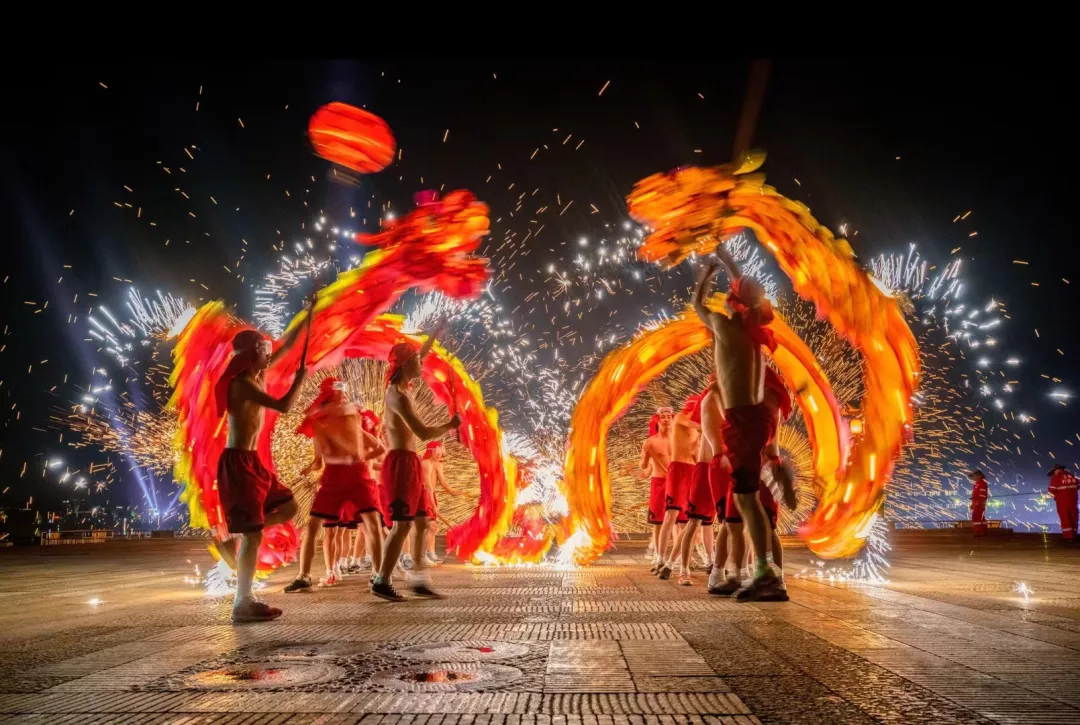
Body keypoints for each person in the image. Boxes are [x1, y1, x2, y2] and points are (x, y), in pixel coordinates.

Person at [693, 249, 796, 601]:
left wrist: (705, 276)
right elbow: (744, 290)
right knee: (750, 503)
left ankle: (765, 571)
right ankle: (766, 572)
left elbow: (698, 306)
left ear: (732, 303)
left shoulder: (721, 326)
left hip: (739, 422)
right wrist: (725, 259)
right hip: (760, 420)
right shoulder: (755, 331)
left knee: (745, 502)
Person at [214, 300, 312, 622]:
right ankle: (242, 603)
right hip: (237, 463)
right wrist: (300, 379)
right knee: (255, 536)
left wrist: (307, 316)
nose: (269, 353)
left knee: (289, 508)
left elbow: (284, 349)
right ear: (250, 355)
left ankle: (240, 534)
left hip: (253, 463)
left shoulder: (257, 376)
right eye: (263, 349)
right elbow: (284, 406)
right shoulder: (242, 384)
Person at [371, 322, 461, 602]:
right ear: (408, 365)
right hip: (399, 464)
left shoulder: (404, 384)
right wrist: (450, 424)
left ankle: (420, 579)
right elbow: (422, 432)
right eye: (418, 362)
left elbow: (417, 353)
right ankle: (381, 580)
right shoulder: (398, 396)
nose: (422, 364)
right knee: (403, 525)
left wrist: (435, 334)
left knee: (422, 522)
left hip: (409, 462)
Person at [284, 377, 385, 593]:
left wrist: (359, 452)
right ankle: (304, 575)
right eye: (337, 392)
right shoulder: (322, 423)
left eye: (341, 392)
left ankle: (379, 576)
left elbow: (369, 449)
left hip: (357, 474)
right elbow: (320, 458)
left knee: (372, 523)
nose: (341, 397)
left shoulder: (350, 415)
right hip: (333, 476)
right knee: (312, 528)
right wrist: (309, 469)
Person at [656, 395, 701, 580]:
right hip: (678, 469)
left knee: (691, 521)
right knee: (670, 516)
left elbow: (697, 451)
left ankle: (679, 563)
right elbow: (699, 426)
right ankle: (660, 559)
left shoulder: (696, 428)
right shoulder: (680, 418)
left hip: (693, 470)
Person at [679, 382, 719, 585]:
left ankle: (717, 565)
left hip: (721, 469)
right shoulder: (710, 401)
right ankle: (683, 569)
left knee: (725, 522)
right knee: (694, 521)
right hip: (705, 469)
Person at [418, 440, 465, 565]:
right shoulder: (426, 463)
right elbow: (427, 487)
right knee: (431, 526)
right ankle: (422, 555)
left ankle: (431, 553)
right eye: (437, 451)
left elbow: (444, 483)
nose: (439, 454)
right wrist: (433, 505)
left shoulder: (439, 464)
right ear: (430, 451)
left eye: (441, 451)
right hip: (423, 497)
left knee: (433, 526)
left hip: (431, 495)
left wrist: (456, 492)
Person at [640, 407, 673, 571]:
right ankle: (659, 557)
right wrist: (645, 455)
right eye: (663, 417)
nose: (667, 419)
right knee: (658, 523)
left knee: (678, 522)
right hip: (658, 482)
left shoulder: (679, 439)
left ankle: (677, 558)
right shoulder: (650, 442)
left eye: (669, 416)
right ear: (657, 420)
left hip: (675, 482)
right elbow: (644, 466)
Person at [1049, 464, 1078, 542]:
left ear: (1056, 470)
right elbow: (1078, 485)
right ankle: (1074, 534)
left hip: (1062, 502)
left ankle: (1068, 537)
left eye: (1053, 472)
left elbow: (1052, 490)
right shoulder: (1072, 476)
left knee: (1065, 518)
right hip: (1073, 501)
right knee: (1073, 517)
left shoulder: (1056, 478)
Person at [969, 470, 989, 537]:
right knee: (980, 518)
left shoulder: (982, 484)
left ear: (979, 476)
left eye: (974, 476)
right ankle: (982, 532)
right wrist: (973, 504)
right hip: (977, 503)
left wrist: (977, 503)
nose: (973, 478)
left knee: (976, 518)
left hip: (979, 504)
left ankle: (978, 533)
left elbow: (982, 495)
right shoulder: (976, 484)